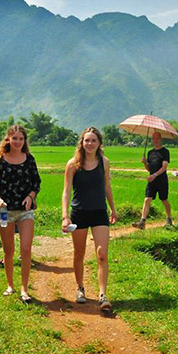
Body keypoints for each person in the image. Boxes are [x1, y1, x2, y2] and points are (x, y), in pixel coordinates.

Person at [62, 127, 117, 312]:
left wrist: (113, 208)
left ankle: (103, 295)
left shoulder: (104, 162)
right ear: (82, 142)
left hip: (99, 212)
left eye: (93, 140)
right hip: (79, 213)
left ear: (99, 143)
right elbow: (66, 191)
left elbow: (107, 186)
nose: (90, 144)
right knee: (79, 253)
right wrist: (65, 216)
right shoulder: (73, 164)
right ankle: (80, 288)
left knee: (102, 254)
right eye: (87, 140)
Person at [0, 125, 41, 303]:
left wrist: (31, 196)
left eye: (21, 139)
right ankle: (10, 285)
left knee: (25, 250)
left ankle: (24, 288)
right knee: (8, 251)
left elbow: (37, 182)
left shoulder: (29, 159)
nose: (17, 142)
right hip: (5, 212)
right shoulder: (0, 160)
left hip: (25, 212)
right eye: (14, 138)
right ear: (8, 140)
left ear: (24, 141)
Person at [132, 131, 172, 229]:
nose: (155, 140)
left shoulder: (165, 151)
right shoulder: (150, 152)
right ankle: (142, 222)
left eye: (157, 138)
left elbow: (164, 167)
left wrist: (155, 175)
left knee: (164, 199)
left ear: (160, 139)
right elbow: (149, 168)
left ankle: (169, 218)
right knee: (147, 199)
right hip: (151, 180)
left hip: (161, 179)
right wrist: (145, 163)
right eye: (153, 138)